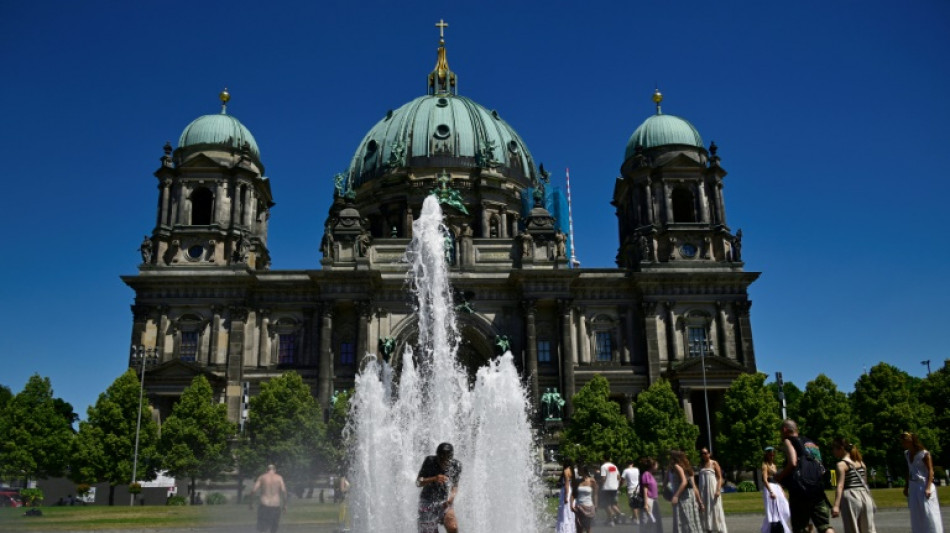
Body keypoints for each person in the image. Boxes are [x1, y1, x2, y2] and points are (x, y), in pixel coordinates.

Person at [775, 419, 835, 533]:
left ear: (784, 430)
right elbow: (820, 468)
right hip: (817, 490)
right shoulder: (811, 443)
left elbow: (793, 462)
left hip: (800, 492)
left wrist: (781, 475)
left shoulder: (788, 441)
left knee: (801, 527)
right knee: (825, 526)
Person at [900, 432, 943, 533]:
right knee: (916, 514)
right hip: (913, 485)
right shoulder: (907, 454)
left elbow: (931, 471)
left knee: (929, 513)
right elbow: (909, 470)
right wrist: (906, 487)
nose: (903, 443)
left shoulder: (924, 453)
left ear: (911, 441)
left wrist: (928, 488)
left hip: (923, 485)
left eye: (904, 441)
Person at [831, 437, 876, 533]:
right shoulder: (861, 463)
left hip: (850, 496)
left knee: (852, 529)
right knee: (868, 529)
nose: (833, 451)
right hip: (865, 496)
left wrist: (836, 505)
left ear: (841, 448)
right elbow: (865, 483)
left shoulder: (841, 464)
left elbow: (840, 486)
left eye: (834, 448)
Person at [416, 442, 462, 533]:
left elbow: (455, 485)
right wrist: (434, 478)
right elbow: (418, 482)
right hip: (427, 502)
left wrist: (451, 498)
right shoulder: (430, 461)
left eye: (447, 459)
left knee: (453, 527)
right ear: (437, 456)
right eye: (441, 458)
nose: (444, 462)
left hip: (444, 502)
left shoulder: (456, 465)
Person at [668, 450, 703, 533]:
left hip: (682, 497)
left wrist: (676, 496)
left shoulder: (677, 466)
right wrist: (699, 502)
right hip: (689, 497)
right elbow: (694, 486)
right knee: (690, 520)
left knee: (682, 520)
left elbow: (684, 482)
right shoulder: (687, 468)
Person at [249, 464, 288, 533]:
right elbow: (284, 491)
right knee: (273, 530)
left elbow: (253, 491)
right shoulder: (279, 478)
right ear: (275, 470)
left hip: (264, 506)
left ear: (266, 470)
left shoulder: (262, 477)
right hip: (275, 506)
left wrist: (251, 503)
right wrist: (285, 505)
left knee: (262, 530)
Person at [762, 446, 792, 533]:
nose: (772, 456)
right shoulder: (765, 465)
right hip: (770, 487)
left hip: (777, 486)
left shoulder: (774, 465)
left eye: (773, 454)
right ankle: (773, 528)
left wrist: (781, 490)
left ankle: (780, 524)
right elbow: (765, 480)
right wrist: (771, 491)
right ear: (767, 455)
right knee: (773, 510)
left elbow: (777, 478)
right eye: (770, 454)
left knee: (785, 507)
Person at [698, 448, 727, 533]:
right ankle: (708, 528)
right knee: (705, 509)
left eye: (705, 453)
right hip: (703, 491)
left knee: (715, 508)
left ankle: (719, 529)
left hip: (712, 490)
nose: (704, 455)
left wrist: (718, 490)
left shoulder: (714, 463)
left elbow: (720, 478)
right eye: (702, 453)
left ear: (709, 454)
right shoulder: (701, 465)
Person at [572, 467, 598, 533]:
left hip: (589, 506)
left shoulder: (592, 481)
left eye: (579, 471)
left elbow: (595, 494)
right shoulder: (577, 481)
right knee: (579, 527)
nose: (577, 472)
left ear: (583, 472)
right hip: (579, 506)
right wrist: (571, 505)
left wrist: (596, 505)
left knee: (587, 528)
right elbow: (573, 494)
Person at [600, 457, 625, 525]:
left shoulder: (603, 466)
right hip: (614, 487)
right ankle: (619, 514)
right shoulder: (614, 466)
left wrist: (600, 484)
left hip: (606, 487)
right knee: (613, 503)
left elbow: (603, 478)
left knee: (606, 504)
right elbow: (618, 477)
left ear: (603, 459)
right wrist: (616, 484)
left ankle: (612, 519)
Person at [639, 457, 661, 533]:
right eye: (656, 465)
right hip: (648, 500)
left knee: (651, 521)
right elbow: (645, 489)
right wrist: (645, 504)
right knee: (646, 520)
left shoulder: (650, 474)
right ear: (652, 466)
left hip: (653, 500)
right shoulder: (646, 475)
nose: (657, 467)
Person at [556, 458, 577, 533]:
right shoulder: (572, 470)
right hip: (571, 490)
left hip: (566, 491)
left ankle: (565, 530)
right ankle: (571, 529)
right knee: (570, 512)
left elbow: (566, 484)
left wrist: (566, 496)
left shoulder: (565, 471)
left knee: (565, 511)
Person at [621, 459, 642, 525]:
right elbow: (638, 478)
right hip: (637, 488)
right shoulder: (636, 469)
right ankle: (634, 517)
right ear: (632, 464)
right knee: (637, 503)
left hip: (631, 488)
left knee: (633, 504)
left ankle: (636, 519)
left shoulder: (626, 470)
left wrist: (619, 486)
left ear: (627, 464)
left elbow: (622, 480)